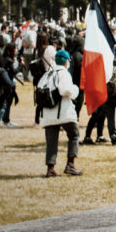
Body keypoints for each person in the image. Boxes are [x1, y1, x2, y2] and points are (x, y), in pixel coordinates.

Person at [38, 47, 82, 177]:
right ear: (66, 62)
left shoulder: (47, 74)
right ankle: (70, 164)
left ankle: (50, 168)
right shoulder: (63, 73)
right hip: (63, 112)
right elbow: (65, 91)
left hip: (48, 112)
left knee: (51, 141)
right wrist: (75, 90)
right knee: (74, 135)